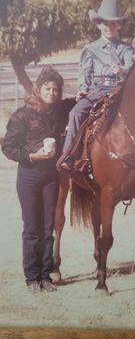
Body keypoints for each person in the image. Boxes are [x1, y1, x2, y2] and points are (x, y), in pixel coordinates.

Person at [1, 66, 68, 293]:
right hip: (29, 175)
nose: (52, 93)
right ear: (38, 89)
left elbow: (73, 104)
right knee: (32, 228)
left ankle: (46, 275)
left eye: (56, 89)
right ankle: (31, 278)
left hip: (51, 177)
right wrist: (32, 156)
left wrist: (81, 97)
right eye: (48, 88)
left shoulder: (59, 111)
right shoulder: (22, 115)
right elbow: (9, 147)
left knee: (48, 227)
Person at [60, 0, 134, 171]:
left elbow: (132, 66)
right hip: (97, 91)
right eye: (105, 24)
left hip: (120, 92)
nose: (109, 27)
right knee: (75, 113)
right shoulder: (90, 49)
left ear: (118, 25)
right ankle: (69, 156)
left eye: (113, 23)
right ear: (99, 25)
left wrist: (122, 70)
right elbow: (84, 73)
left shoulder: (126, 49)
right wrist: (82, 90)